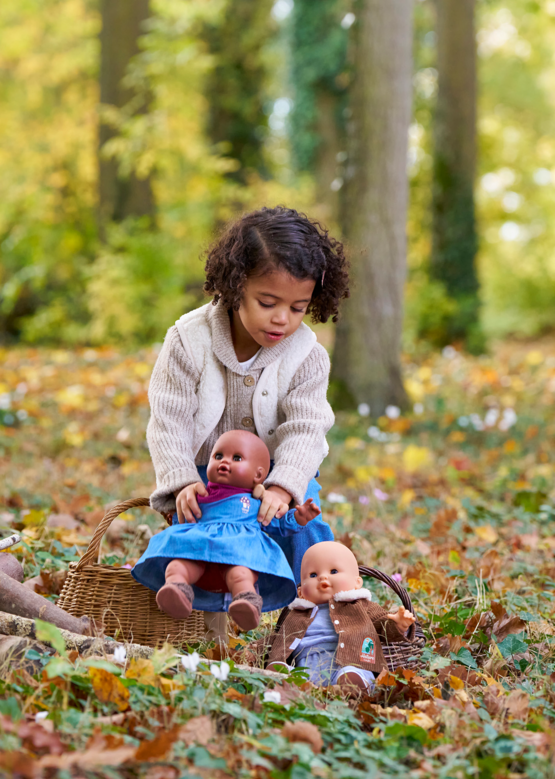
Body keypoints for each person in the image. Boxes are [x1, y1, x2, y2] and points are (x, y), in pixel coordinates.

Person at [146, 206, 350, 580]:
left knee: (304, 527)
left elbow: (307, 427)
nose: (282, 319)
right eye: (268, 303)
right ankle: (201, 610)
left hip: (276, 470)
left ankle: (311, 611)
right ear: (236, 286)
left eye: (298, 308)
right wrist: (181, 480)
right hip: (207, 471)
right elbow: (168, 418)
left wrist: (284, 485)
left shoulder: (307, 355)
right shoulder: (188, 340)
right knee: (197, 543)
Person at [132, 430, 332, 630]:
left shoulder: (257, 502)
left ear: (258, 475)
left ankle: (245, 601)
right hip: (199, 554)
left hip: (238, 556)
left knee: (241, 575)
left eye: (236, 458)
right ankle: (177, 590)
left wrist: (298, 518)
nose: (224, 462)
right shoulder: (199, 492)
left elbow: (277, 522)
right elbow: (183, 516)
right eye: (218, 456)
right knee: (177, 566)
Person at [264, 541, 415, 692]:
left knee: (352, 673)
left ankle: (353, 685)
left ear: (357, 583)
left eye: (334, 571)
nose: (323, 578)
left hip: (349, 663)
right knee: (291, 675)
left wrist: (396, 624)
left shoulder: (358, 606)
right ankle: (287, 680)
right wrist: (252, 650)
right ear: (301, 592)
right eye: (313, 575)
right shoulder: (297, 613)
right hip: (305, 667)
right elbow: (277, 638)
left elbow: (380, 621)